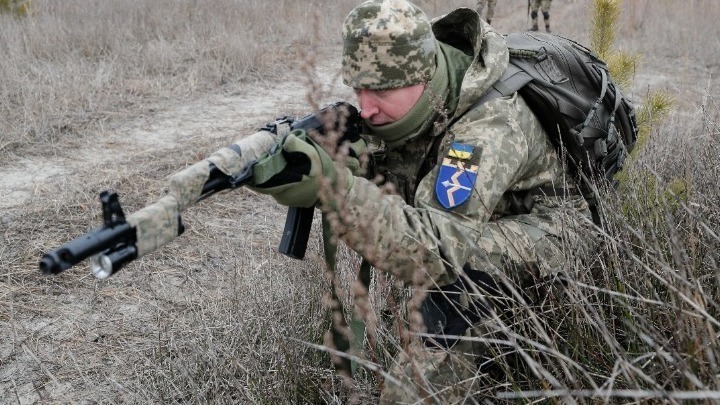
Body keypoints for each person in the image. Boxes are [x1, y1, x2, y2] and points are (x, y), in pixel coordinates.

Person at [250, 0, 595, 402]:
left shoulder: (488, 127)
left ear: (424, 76)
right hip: (490, 209)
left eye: (379, 90)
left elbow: (437, 251)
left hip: (555, 229)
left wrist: (335, 188)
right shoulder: (419, 86)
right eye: (358, 87)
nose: (366, 106)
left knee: (453, 280)